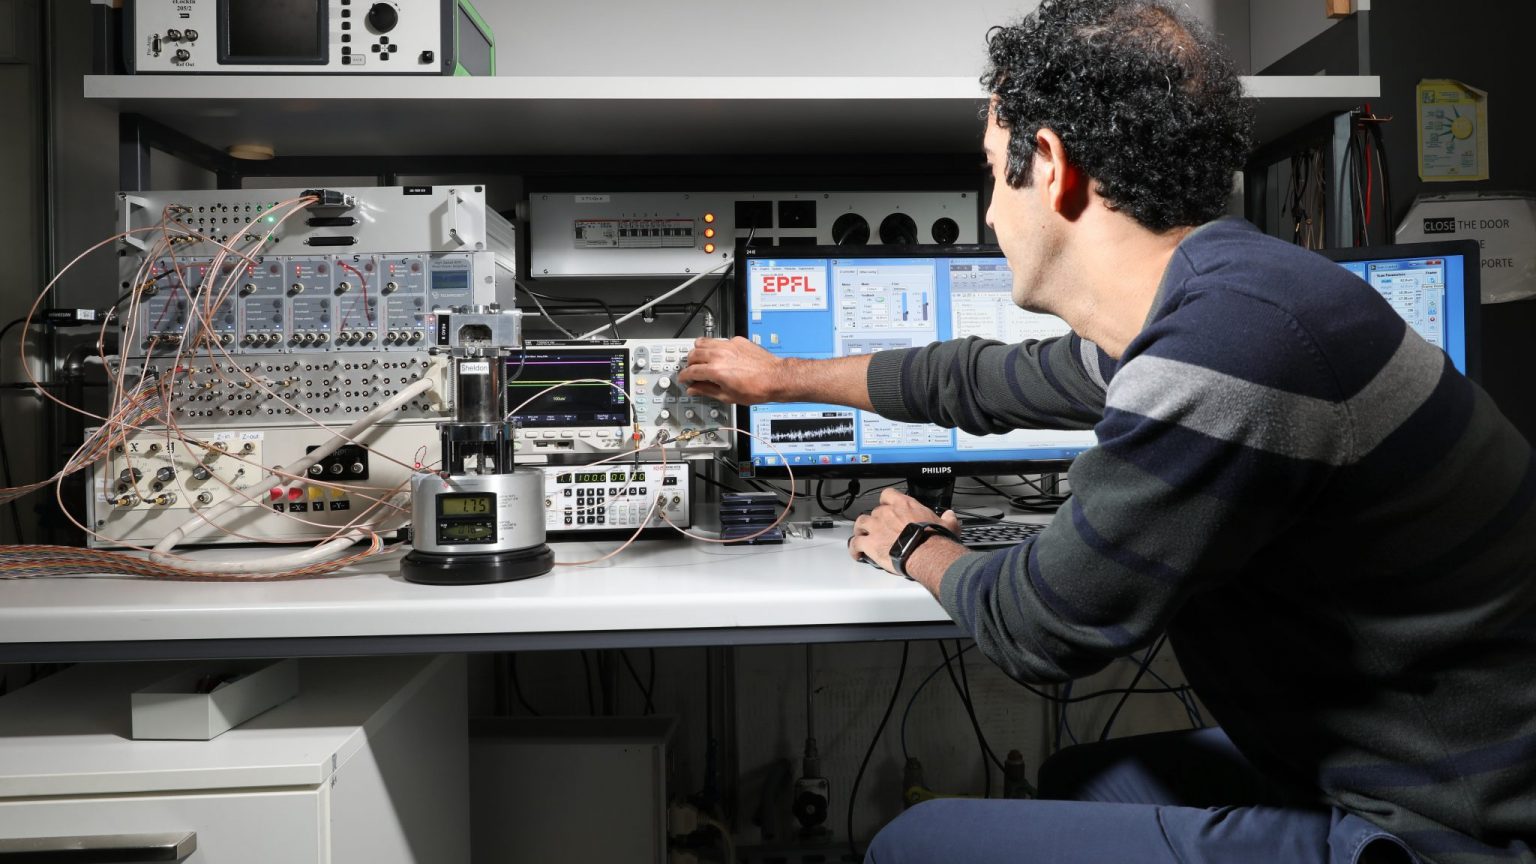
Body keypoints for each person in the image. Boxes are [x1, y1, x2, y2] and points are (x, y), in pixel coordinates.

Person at [679, 1, 1536, 862]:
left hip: (1446, 827)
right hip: (1396, 761)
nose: (990, 216)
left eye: (993, 175)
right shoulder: (1230, 293)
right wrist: (781, 377)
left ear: (1050, 166)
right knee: (1083, 778)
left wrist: (916, 547)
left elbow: (1040, 626)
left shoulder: (1229, 347)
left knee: (915, 842)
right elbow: (976, 380)